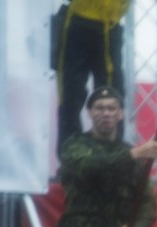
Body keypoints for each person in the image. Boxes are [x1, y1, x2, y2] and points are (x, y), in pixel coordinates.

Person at [51, 85, 157, 227]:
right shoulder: (74, 146)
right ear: (89, 113)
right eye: (99, 108)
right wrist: (133, 154)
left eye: (112, 108)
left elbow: (149, 203)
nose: (106, 113)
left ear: (120, 114)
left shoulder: (134, 156)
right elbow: (92, 168)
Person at [55, 0, 130, 156]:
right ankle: (71, 160)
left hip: (110, 22)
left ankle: (113, 158)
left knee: (112, 96)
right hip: (78, 20)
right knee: (70, 95)